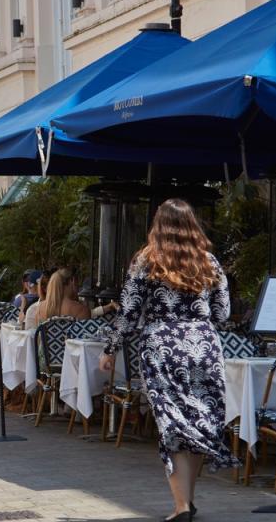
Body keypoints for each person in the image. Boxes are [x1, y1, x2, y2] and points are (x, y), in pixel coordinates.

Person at [99, 199, 239, 522]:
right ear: (193, 226)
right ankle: (187, 501)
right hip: (204, 347)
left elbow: (129, 311)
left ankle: (181, 507)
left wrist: (110, 348)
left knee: (173, 422)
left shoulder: (147, 261)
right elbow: (223, 312)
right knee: (200, 421)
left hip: (161, 347)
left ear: (158, 225)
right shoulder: (209, 262)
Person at [25, 268, 90, 329]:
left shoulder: (39, 309)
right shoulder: (82, 310)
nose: (78, 286)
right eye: (77, 282)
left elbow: (38, 335)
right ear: (71, 281)